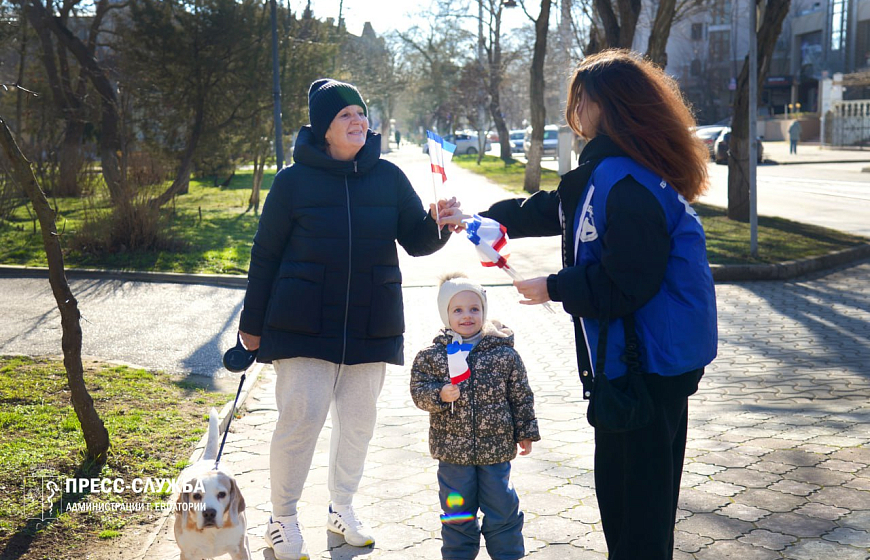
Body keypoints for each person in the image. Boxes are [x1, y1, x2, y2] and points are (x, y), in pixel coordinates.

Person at [480, 50, 718, 560]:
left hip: (643, 371)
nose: (575, 111)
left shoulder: (627, 182)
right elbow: (550, 208)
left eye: (578, 100)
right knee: (637, 505)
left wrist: (554, 286)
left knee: (635, 512)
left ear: (600, 105)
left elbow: (627, 283)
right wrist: (475, 220)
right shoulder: (617, 172)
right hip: (646, 366)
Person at [237, 78, 465, 560]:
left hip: (370, 323)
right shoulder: (291, 182)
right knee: (300, 423)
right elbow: (265, 255)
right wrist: (252, 325)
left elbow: (418, 240)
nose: (359, 120)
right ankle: (282, 519)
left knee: (359, 425)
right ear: (323, 128)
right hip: (301, 326)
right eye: (346, 115)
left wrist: (440, 223)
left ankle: (341, 509)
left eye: (362, 112)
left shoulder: (387, 177)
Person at [410, 273, 540, 560]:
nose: (467, 316)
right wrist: (439, 394)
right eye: (457, 310)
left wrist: (526, 431)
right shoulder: (432, 356)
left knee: (502, 508)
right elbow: (418, 391)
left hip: (495, 450)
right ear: (446, 314)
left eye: (474, 309)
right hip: (453, 454)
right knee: (457, 513)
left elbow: (520, 394)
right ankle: (458, 555)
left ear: (484, 311)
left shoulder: (504, 354)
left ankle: (508, 554)